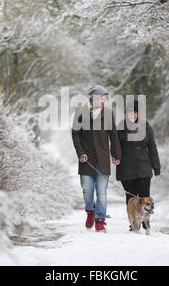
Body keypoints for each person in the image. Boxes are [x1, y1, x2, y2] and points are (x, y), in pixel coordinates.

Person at [71, 85, 122, 232]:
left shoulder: (108, 114)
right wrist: (80, 153)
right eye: (102, 97)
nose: (104, 100)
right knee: (87, 190)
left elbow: (113, 136)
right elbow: (75, 135)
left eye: (105, 98)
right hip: (86, 160)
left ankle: (100, 219)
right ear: (93, 99)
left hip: (103, 159)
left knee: (102, 192)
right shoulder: (80, 113)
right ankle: (90, 211)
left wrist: (116, 155)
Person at [116, 100, 161, 229]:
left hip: (143, 169)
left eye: (135, 113)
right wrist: (115, 157)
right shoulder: (120, 128)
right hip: (126, 169)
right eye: (130, 112)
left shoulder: (146, 127)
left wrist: (156, 167)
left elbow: (152, 147)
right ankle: (134, 223)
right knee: (130, 197)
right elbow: (115, 146)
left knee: (144, 197)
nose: (133, 115)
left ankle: (146, 223)